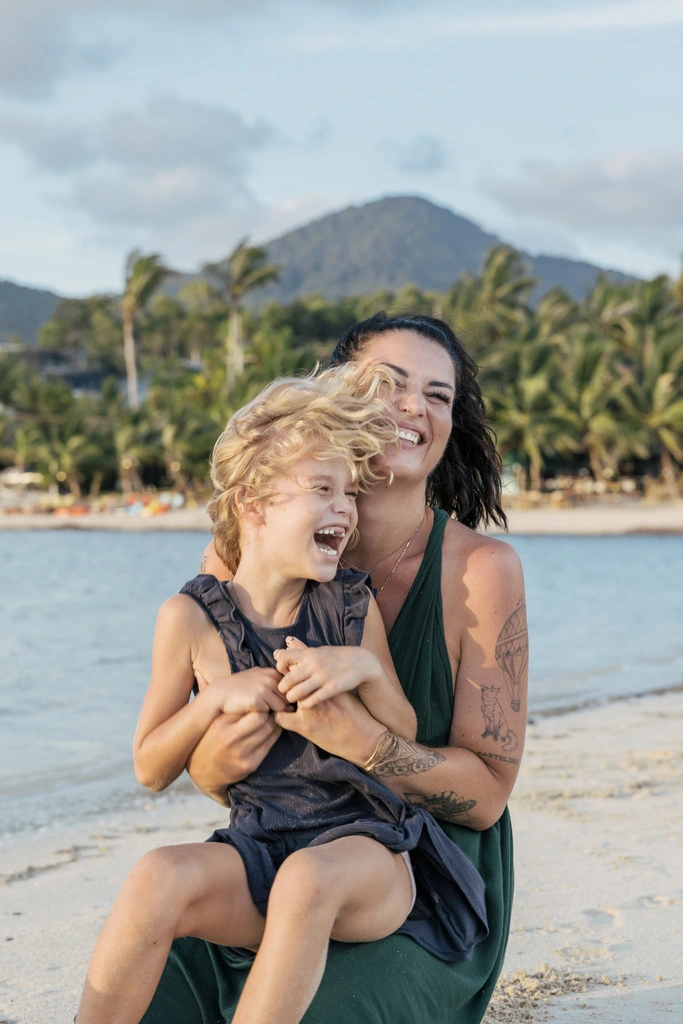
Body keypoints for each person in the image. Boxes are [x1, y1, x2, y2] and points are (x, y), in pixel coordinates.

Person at [141, 312, 528, 1024]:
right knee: (157, 989)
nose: (415, 406)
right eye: (390, 383)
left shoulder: (479, 570)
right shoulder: (238, 562)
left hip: (429, 886)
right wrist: (216, 760)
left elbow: (486, 798)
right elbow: (203, 767)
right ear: (333, 397)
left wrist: (363, 740)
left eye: (438, 396)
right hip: (277, 849)